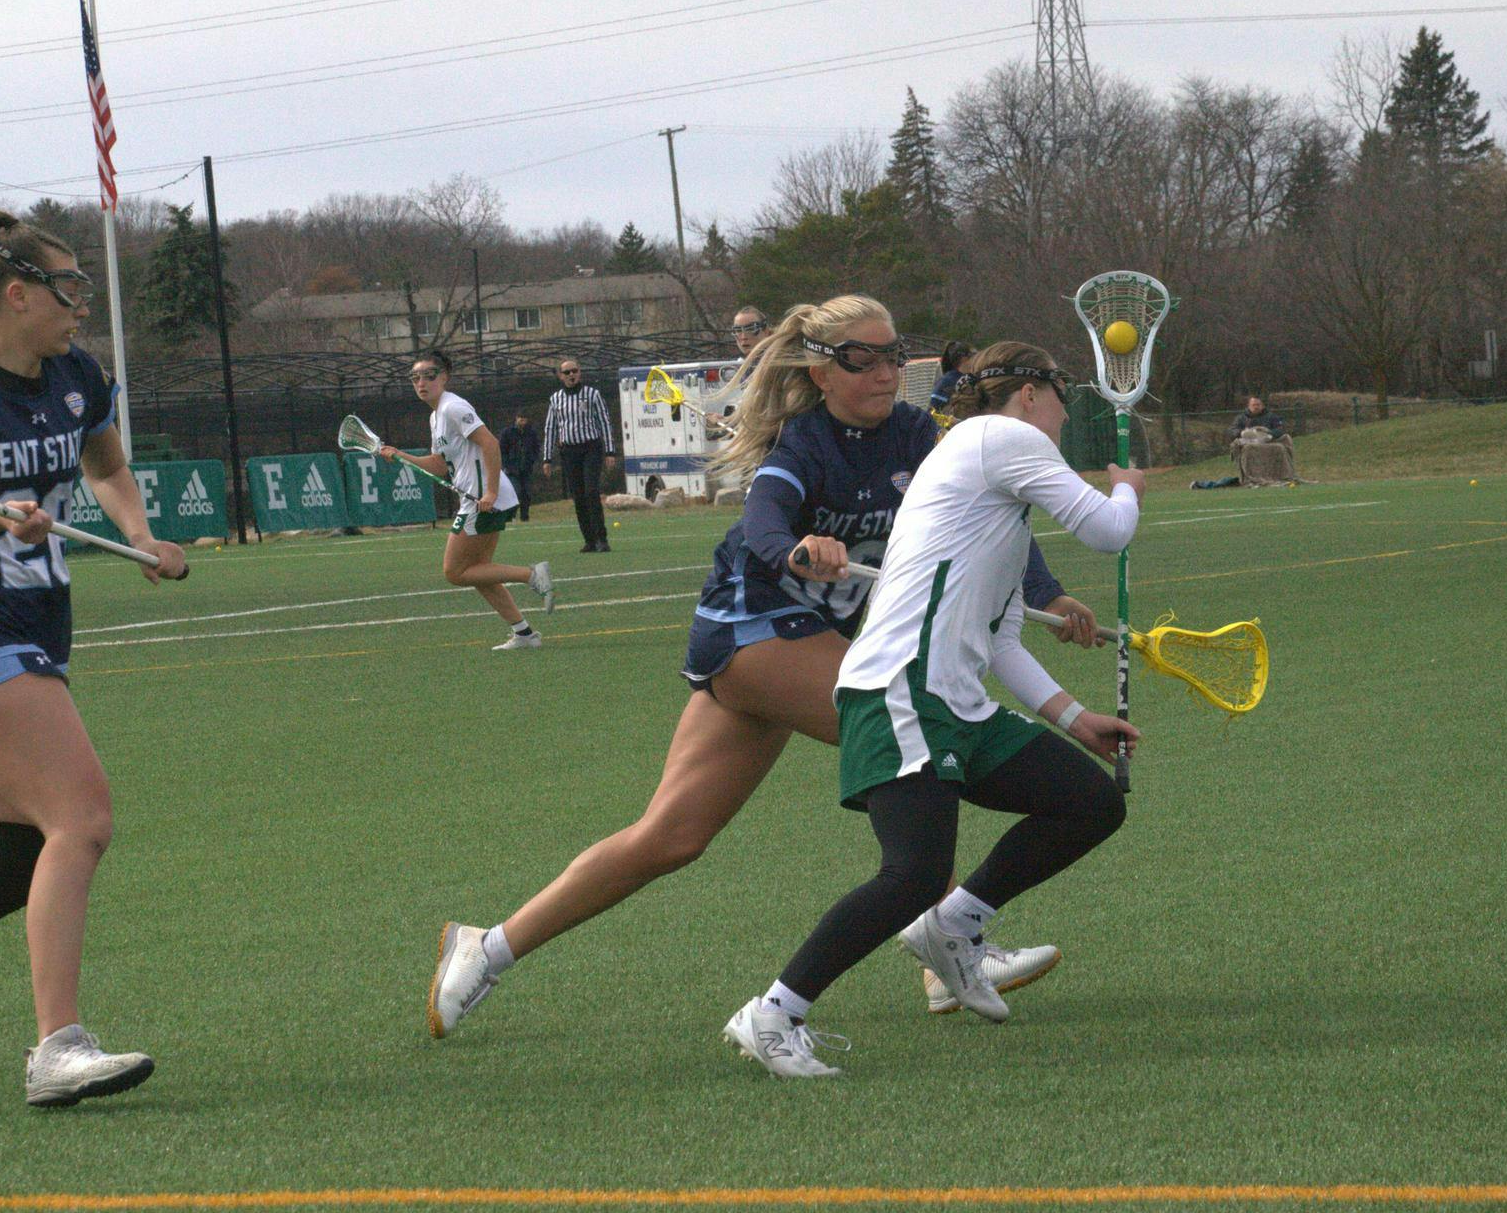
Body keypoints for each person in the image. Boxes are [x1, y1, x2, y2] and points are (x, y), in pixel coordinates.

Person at [426, 297, 1099, 1038]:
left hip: (798, 645)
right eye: (861, 358)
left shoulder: (919, 436)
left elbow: (983, 516)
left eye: (891, 353)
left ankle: (485, 948)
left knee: (670, 836)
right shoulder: (803, 444)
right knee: (916, 736)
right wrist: (795, 549)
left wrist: (1046, 594)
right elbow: (763, 521)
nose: (884, 371)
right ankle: (944, 954)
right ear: (821, 369)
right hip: (752, 631)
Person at [722, 342, 1143, 1078]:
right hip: (902, 687)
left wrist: (1075, 718)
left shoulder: (992, 495)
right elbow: (1109, 529)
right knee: (912, 874)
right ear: (1029, 393)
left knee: (1089, 802)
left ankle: (956, 925)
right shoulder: (996, 437)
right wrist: (1128, 485)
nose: (1065, 412)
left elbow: (1003, 638)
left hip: (955, 700)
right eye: (1060, 395)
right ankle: (773, 1014)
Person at [0, 212, 190, 1106]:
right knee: (83, 818)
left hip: (36, 623)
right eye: (66, 290)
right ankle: (57, 1047)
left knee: (18, 864)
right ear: (14, 296)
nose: (80, 307)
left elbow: (106, 466)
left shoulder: (75, 376)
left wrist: (142, 535)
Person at [380, 350, 554, 651]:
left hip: (481, 499)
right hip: (477, 498)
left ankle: (530, 575)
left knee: (455, 571)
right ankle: (525, 634)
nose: (421, 382)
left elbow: (490, 442)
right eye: (415, 377)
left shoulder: (453, 407)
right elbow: (438, 464)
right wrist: (401, 456)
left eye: (429, 375)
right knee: (478, 570)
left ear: (445, 377)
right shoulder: (436, 416)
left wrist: (490, 492)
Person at [540, 358, 618, 553]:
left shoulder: (592, 394)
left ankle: (601, 538)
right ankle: (589, 539)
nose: (571, 375)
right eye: (567, 372)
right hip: (569, 451)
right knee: (579, 496)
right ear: (560, 376)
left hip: (590, 448)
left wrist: (610, 451)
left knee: (591, 491)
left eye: (574, 371)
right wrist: (547, 458)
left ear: (580, 372)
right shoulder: (556, 399)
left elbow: (604, 422)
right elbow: (551, 428)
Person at [1228, 395, 1295, 486]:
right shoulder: (1241, 418)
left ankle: (1283, 476)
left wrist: (1270, 434)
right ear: (1249, 406)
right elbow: (1232, 430)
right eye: (1253, 405)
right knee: (1248, 448)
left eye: (1258, 405)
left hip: (1269, 442)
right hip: (1248, 442)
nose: (1256, 407)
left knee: (1280, 447)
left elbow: (1280, 429)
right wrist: (1242, 433)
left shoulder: (1271, 416)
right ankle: (1251, 478)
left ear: (1262, 405)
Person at [497, 412, 541, 521]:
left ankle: (524, 517)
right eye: (521, 419)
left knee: (526, 493)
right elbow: (502, 450)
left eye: (525, 419)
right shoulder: (507, 432)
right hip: (511, 470)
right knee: (515, 492)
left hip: (526, 469)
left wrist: (531, 460)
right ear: (516, 418)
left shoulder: (531, 433)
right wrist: (506, 465)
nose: (523, 422)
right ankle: (510, 516)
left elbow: (536, 448)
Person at [928, 340, 972, 416]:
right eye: (972, 356)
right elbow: (933, 411)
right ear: (964, 358)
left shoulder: (971, 378)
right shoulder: (948, 381)